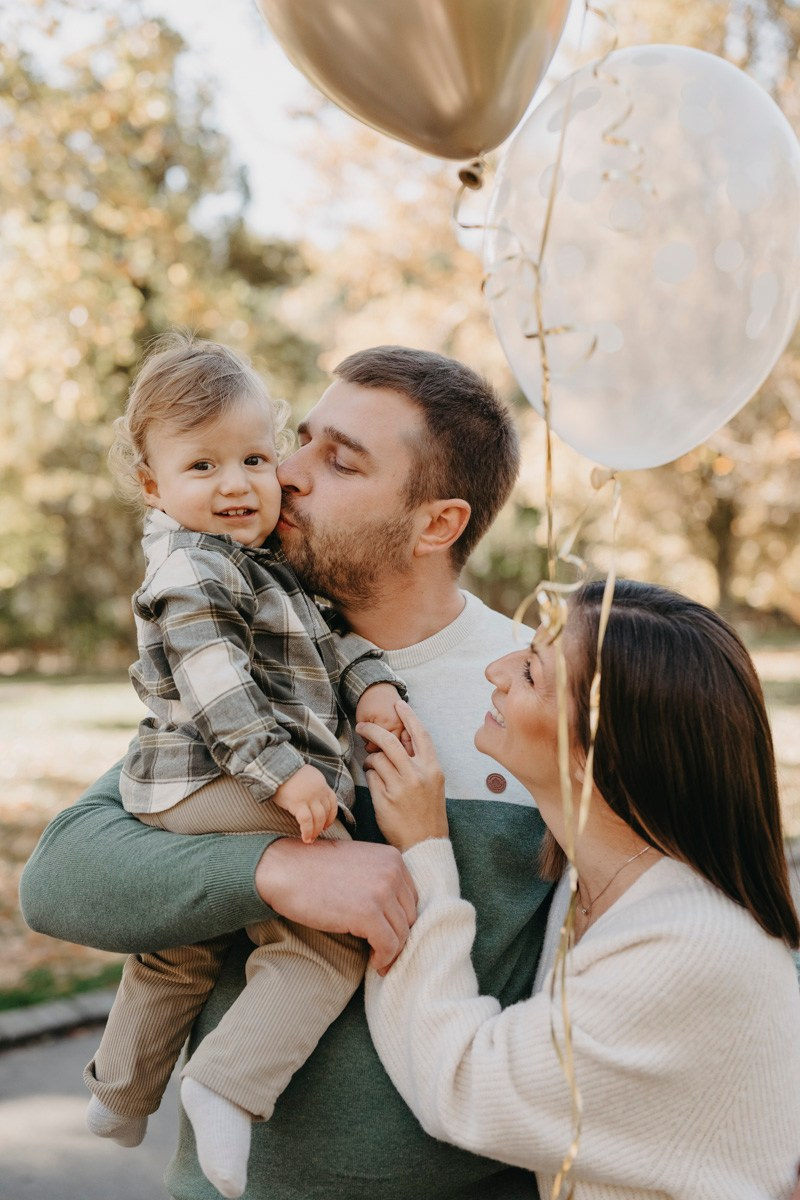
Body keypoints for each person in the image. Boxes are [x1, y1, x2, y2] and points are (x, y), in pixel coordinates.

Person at [20, 345, 554, 1200]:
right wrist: (276, 870)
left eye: (338, 460)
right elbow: (60, 883)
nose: (286, 475)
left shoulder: (533, 693)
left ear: (437, 524)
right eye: (297, 442)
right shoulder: (250, 651)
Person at [82, 333, 407, 1199]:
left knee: (178, 949)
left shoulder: (267, 571)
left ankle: (120, 1091)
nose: (237, 484)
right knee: (329, 937)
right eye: (202, 466)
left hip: (185, 790)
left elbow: (338, 646)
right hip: (224, 779)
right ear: (153, 486)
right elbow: (215, 683)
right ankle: (228, 1086)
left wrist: (372, 687)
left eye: (255, 457)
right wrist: (282, 773)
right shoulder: (192, 567)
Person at [362, 579, 800, 1200]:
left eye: (533, 673)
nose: (497, 667)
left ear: (602, 754)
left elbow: (462, 1088)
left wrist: (422, 849)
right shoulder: (595, 884)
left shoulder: (690, 946)